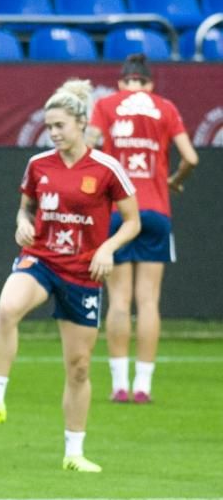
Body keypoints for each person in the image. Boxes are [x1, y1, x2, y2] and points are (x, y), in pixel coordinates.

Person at [0, 79, 140, 473]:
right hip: (41, 259)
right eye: (49, 127)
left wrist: (107, 248)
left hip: (83, 271)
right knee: (8, 307)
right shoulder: (38, 165)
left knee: (78, 366)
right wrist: (21, 223)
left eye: (60, 125)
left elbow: (132, 222)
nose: (54, 133)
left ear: (81, 122)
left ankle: (74, 452)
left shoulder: (106, 168)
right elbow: (26, 208)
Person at [87, 54, 200, 404]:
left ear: (123, 82)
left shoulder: (106, 105)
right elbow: (192, 158)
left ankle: (119, 384)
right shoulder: (165, 107)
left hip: (119, 211)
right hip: (155, 208)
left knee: (119, 300)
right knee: (148, 301)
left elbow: (89, 145)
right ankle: (144, 386)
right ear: (149, 84)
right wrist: (175, 182)